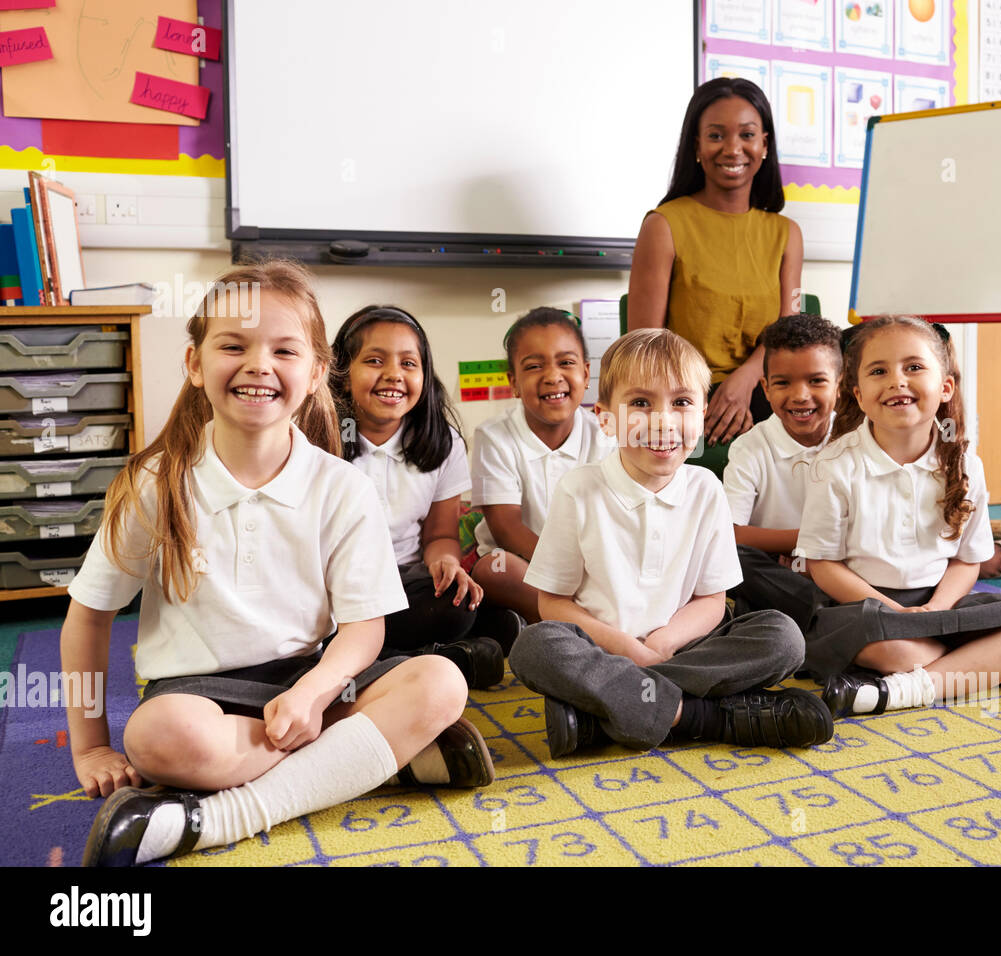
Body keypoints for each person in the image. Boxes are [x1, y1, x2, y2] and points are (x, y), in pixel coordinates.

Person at [63, 262, 493, 867]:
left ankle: (214, 819)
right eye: (233, 345)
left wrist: (314, 695)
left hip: (312, 684)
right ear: (194, 363)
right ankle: (367, 763)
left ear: (317, 372)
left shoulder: (342, 487)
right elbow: (87, 617)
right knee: (156, 738)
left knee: (442, 682)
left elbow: (365, 629)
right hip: (199, 702)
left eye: (284, 350)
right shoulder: (155, 484)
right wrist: (90, 749)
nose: (259, 365)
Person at [507, 328, 833, 758]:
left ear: (702, 414)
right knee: (536, 647)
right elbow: (553, 604)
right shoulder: (578, 490)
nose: (663, 421)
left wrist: (660, 646)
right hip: (602, 650)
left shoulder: (705, 489)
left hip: (679, 647)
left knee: (783, 636)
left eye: (681, 403)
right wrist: (626, 650)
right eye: (641, 403)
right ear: (605, 418)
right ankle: (709, 717)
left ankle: (608, 713)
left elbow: (712, 601)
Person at [798, 315, 1001, 717]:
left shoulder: (965, 463)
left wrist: (938, 607)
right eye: (878, 371)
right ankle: (985, 666)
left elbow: (966, 561)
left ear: (945, 387)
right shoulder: (834, 465)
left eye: (914, 367)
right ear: (859, 395)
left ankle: (912, 688)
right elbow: (823, 565)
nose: (897, 380)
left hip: (941, 605)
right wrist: (892, 610)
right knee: (892, 648)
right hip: (865, 610)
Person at [332, 304, 513, 686]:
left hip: (403, 584)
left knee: (457, 604)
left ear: (425, 376)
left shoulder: (442, 444)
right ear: (343, 376)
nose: (394, 375)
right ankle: (437, 658)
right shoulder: (319, 440)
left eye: (409, 363)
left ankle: (402, 657)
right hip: (335, 587)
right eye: (375, 360)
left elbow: (440, 537)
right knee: (314, 622)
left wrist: (446, 563)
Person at [627, 76, 803, 448]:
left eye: (747, 135)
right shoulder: (664, 225)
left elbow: (786, 336)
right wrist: (695, 397)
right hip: (682, 395)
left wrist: (744, 381)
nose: (732, 149)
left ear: (765, 145)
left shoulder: (786, 233)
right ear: (696, 146)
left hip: (765, 386)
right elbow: (643, 346)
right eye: (716, 135)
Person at [470, 308, 615, 624]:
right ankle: (590, 627)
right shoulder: (493, 436)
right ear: (514, 383)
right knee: (494, 567)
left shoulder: (606, 434)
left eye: (566, 362)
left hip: (594, 569)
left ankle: (567, 623)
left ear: (586, 374)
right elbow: (506, 529)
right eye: (534, 366)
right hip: (526, 565)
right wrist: (566, 573)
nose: (552, 376)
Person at [724, 313, 840, 630]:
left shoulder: (857, 439)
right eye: (783, 383)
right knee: (730, 558)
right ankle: (828, 616)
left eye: (816, 381)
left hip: (841, 568)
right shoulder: (750, 448)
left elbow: (870, 531)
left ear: (840, 386)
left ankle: (817, 620)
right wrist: (815, 542)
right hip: (778, 571)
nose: (800, 395)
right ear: (766, 388)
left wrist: (819, 554)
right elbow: (730, 534)